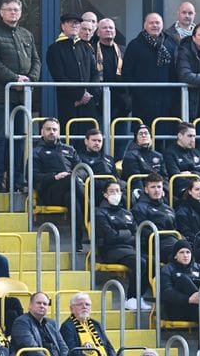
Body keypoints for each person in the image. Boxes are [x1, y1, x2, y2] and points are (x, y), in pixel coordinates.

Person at [0, 0, 40, 192]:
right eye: (9, 9)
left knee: (20, 139)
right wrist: (15, 78)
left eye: (16, 9)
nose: (13, 12)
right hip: (0, 96)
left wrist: (29, 80)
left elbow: (36, 61)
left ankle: (17, 181)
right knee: (0, 139)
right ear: (1, 12)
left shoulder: (26, 34)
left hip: (23, 97)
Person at [33, 118, 86, 251]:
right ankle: (89, 208)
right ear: (42, 132)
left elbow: (82, 170)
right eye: (48, 129)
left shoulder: (69, 149)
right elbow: (32, 177)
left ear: (59, 132)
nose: (52, 132)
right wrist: (54, 177)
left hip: (71, 188)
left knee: (72, 199)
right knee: (72, 181)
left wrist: (73, 176)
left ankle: (77, 241)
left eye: (54, 129)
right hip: (49, 191)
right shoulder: (37, 151)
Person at [96, 182, 149, 310]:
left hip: (129, 249)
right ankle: (130, 298)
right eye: (112, 191)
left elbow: (137, 235)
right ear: (105, 194)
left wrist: (123, 235)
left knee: (152, 262)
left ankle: (139, 297)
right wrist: (127, 234)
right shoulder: (100, 213)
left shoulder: (127, 213)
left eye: (117, 191)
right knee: (139, 262)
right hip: (110, 250)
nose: (115, 194)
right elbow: (110, 236)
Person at [122, 13, 177, 128]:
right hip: (142, 100)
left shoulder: (170, 44)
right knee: (143, 135)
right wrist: (136, 92)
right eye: (151, 23)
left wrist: (171, 94)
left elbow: (174, 71)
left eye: (157, 23)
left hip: (165, 101)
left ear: (162, 25)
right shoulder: (135, 45)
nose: (154, 25)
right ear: (145, 25)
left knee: (163, 136)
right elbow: (127, 71)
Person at [46, 13, 100, 129]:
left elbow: (95, 73)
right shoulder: (55, 48)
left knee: (89, 138)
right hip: (69, 102)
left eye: (77, 23)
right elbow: (59, 76)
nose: (75, 25)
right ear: (63, 26)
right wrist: (79, 95)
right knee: (70, 137)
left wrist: (89, 94)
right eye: (71, 23)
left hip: (88, 103)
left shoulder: (86, 47)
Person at [160, 240, 200, 352]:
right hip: (176, 308)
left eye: (188, 252)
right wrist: (188, 299)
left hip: (197, 307)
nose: (185, 255)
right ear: (175, 255)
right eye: (181, 252)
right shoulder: (167, 269)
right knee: (183, 280)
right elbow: (166, 293)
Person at [95, 18, 131, 157]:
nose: (108, 30)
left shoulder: (123, 50)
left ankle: (118, 171)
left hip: (121, 103)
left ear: (115, 32)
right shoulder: (92, 50)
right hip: (100, 103)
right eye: (104, 28)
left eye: (111, 28)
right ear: (98, 32)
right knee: (100, 139)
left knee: (121, 141)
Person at [131, 173, 176, 262]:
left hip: (171, 241)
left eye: (159, 187)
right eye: (153, 187)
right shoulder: (139, 208)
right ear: (146, 190)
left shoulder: (168, 208)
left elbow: (176, 228)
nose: (157, 190)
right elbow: (142, 232)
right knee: (178, 252)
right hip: (153, 244)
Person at [11, 292, 69, 356]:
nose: (42, 306)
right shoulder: (21, 322)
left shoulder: (52, 323)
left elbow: (63, 347)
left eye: (45, 304)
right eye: (38, 303)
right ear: (30, 305)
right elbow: (32, 349)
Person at [163, 122, 200, 197]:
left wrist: (192, 173)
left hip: (199, 187)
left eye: (194, 136)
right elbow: (177, 179)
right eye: (189, 136)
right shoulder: (170, 153)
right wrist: (197, 181)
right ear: (180, 136)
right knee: (198, 192)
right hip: (181, 190)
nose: (193, 139)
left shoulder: (197, 153)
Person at [79, 129, 124, 205]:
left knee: (126, 195)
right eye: (94, 140)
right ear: (86, 141)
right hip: (94, 192)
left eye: (99, 141)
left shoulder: (109, 159)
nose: (97, 143)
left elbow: (116, 177)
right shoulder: (80, 158)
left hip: (112, 190)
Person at [121, 124, 168, 194]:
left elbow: (164, 177)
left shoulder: (158, 155)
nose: (143, 135)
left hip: (159, 190)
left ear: (150, 137)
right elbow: (135, 179)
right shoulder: (130, 155)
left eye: (146, 133)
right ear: (136, 139)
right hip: (141, 191)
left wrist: (164, 190)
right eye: (140, 134)